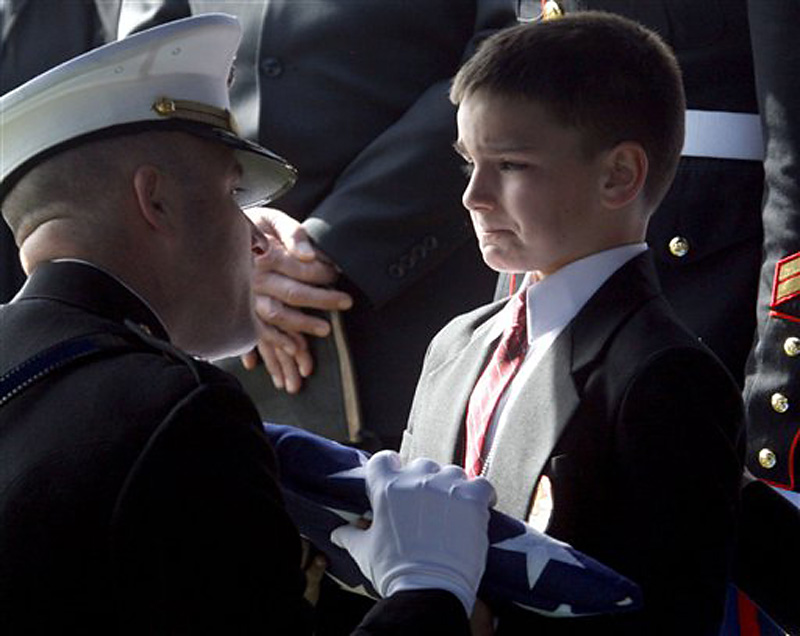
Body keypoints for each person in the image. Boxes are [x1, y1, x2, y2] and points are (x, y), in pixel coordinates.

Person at [0, 15, 496, 634]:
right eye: (237, 196)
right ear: (155, 200)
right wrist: (429, 588)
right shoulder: (181, 414)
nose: (259, 237)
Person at [400, 13, 744, 634]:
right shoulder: (457, 345)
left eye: (509, 165)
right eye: (467, 163)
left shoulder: (661, 376)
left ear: (618, 175)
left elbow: (665, 611)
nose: (473, 195)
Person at [115, 0, 514, 451]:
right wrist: (228, 237)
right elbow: (141, 81)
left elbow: (506, 52)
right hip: (220, 349)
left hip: (417, 317)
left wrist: (327, 242)